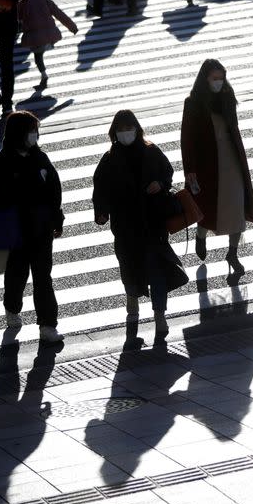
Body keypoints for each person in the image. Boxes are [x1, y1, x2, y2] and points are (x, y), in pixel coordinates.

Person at [93, 110, 188, 335]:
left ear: (137, 129)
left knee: (157, 271)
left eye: (129, 128)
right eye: (121, 129)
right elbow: (100, 188)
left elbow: (167, 172)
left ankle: (159, 316)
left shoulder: (151, 151)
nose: (126, 133)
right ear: (114, 132)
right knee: (129, 268)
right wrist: (101, 212)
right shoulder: (109, 159)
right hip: (125, 226)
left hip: (152, 222)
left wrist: (160, 184)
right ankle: (132, 304)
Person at [0, 111, 65, 343]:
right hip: (14, 231)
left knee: (43, 278)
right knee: (16, 275)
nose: (35, 135)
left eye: (35, 130)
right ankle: (12, 308)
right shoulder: (2, 162)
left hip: (40, 230)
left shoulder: (41, 159)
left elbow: (54, 192)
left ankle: (48, 326)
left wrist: (57, 221)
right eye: (31, 131)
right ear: (19, 133)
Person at [180, 59, 253, 277]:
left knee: (236, 206)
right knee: (208, 206)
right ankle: (201, 234)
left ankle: (232, 253)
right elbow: (187, 138)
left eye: (221, 78)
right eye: (214, 78)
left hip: (232, 159)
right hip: (207, 164)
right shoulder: (193, 103)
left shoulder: (227, 97)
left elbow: (233, 128)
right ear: (205, 79)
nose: (218, 82)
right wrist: (190, 169)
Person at [18, 0, 78, 90]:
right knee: (41, 50)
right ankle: (48, 45)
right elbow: (59, 14)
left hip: (35, 37)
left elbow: (19, 19)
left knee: (38, 56)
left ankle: (44, 75)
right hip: (49, 34)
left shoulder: (22, 3)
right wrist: (72, 27)